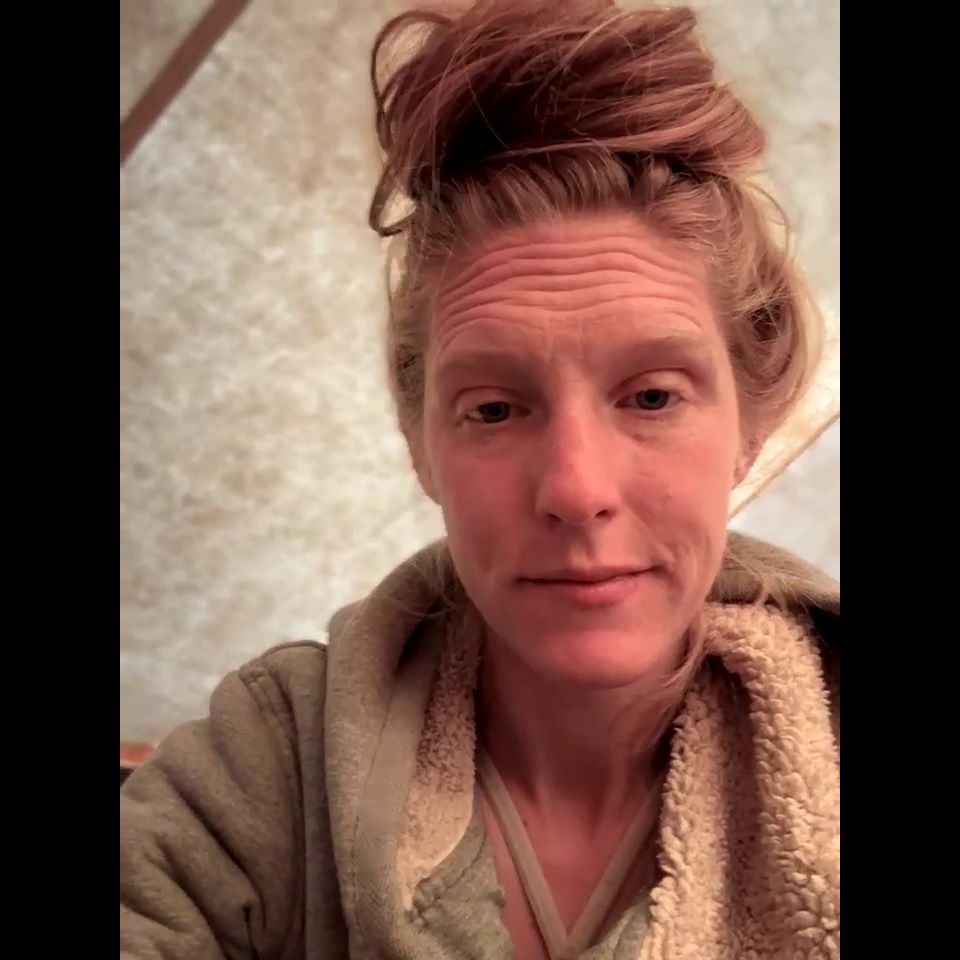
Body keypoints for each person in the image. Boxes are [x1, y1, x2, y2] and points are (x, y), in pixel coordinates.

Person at [120, 2, 840, 958]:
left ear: (751, 424)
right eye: (495, 410)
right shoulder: (273, 759)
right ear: (421, 441)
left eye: (652, 396)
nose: (575, 488)